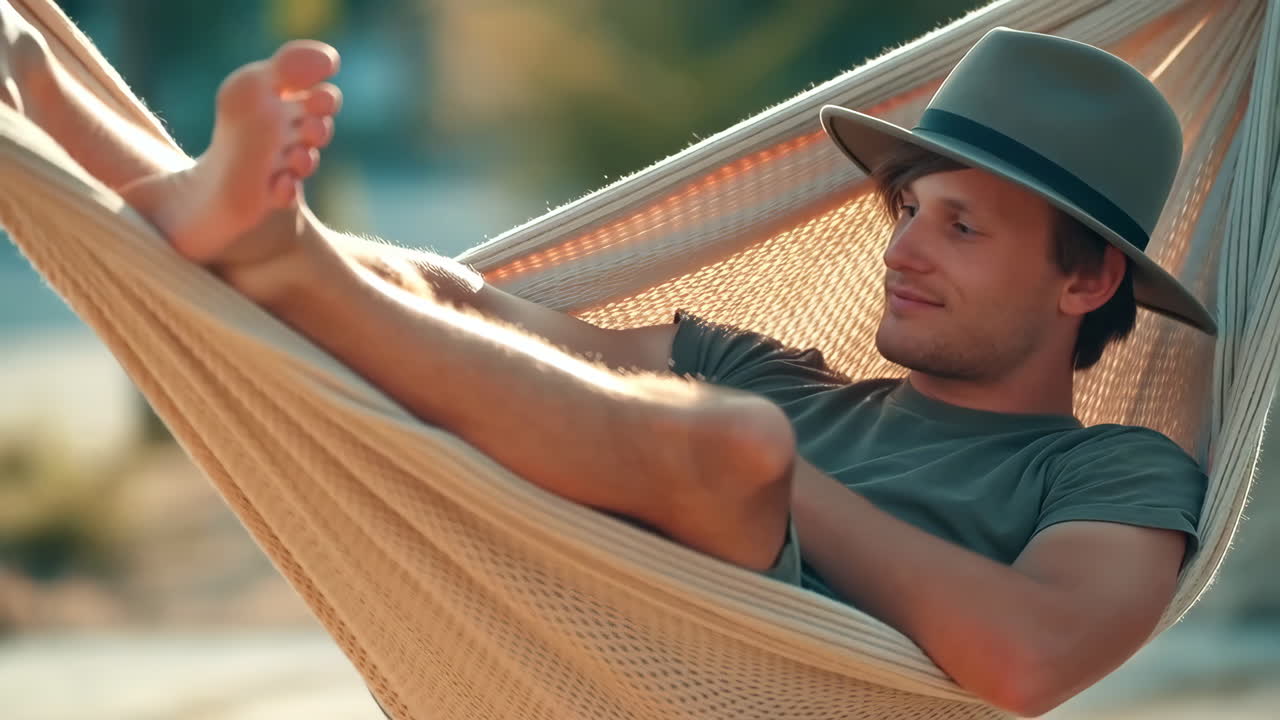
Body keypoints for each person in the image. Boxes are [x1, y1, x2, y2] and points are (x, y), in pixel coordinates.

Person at [1, 4, 1209, 715]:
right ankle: (60, 101)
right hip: (583, 620)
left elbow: (1030, 657)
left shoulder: (1109, 473)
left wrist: (786, 482)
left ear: (1084, 279)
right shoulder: (771, 368)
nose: (902, 251)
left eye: (959, 225)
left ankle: (275, 253)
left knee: (730, 441)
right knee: (464, 300)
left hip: (768, 677)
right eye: (905, 212)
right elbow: (481, 316)